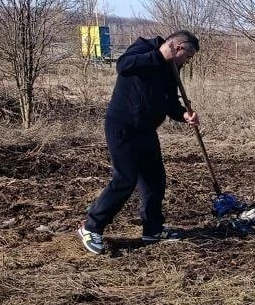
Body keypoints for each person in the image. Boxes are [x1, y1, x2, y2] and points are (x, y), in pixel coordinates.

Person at [77, 31, 201, 255]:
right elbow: (123, 66)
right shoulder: (144, 48)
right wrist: (159, 55)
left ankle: (153, 229)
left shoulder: (172, 68)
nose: (187, 61)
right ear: (179, 48)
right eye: (188, 56)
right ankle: (91, 227)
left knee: (154, 180)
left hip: (146, 129)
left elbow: (170, 101)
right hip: (123, 126)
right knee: (125, 179)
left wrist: (183, 114)